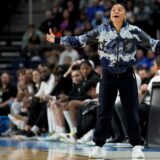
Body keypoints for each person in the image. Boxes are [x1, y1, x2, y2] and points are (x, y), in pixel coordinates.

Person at [46, 1, 160, 159]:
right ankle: (98, 145)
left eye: (120, 9)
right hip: (108, 77)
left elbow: (154, 44)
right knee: (104, 112)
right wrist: (58, 40)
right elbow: (81, 40)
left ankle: (136, 145)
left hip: (127, 77)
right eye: (113, 9)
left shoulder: (134, 31)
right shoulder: (102, 30)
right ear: (110, 15)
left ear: (124, 15)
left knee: (131, 112)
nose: (116, 11)